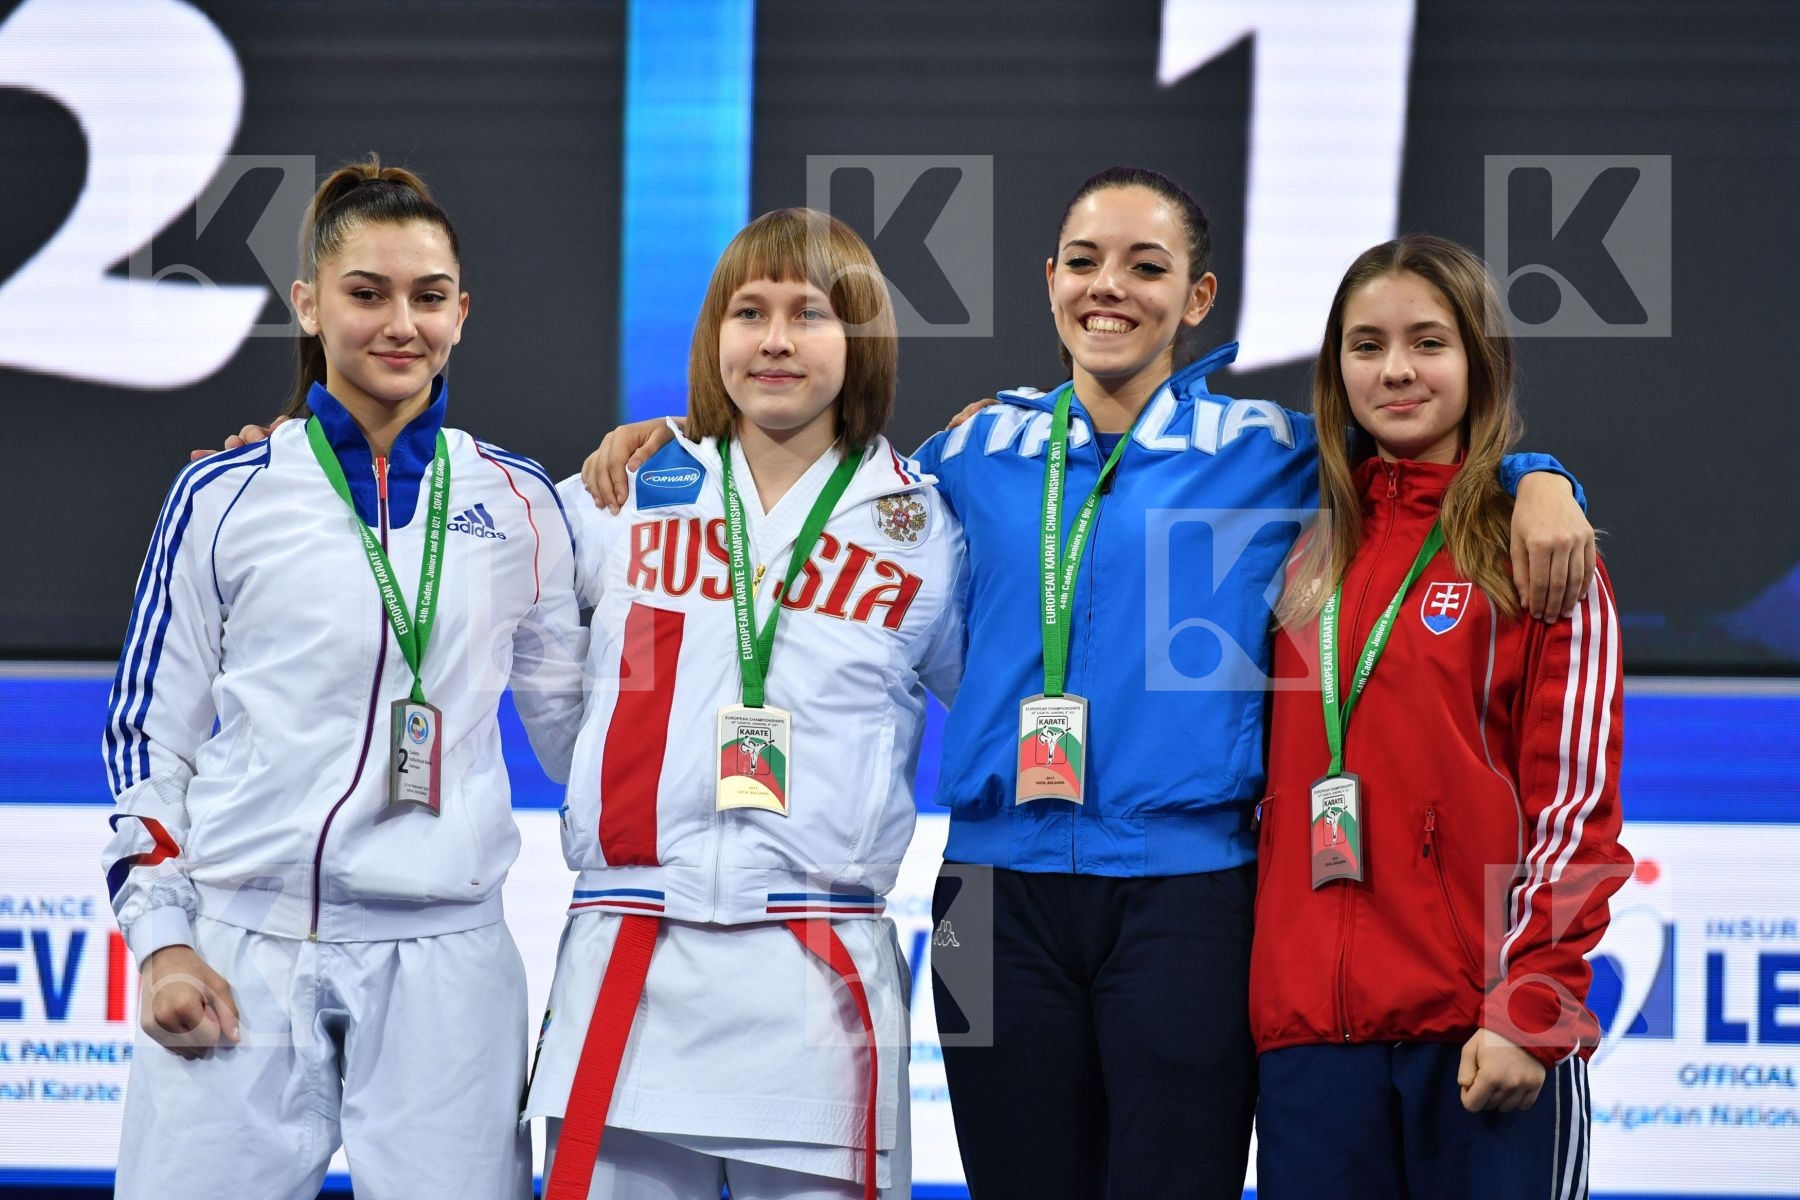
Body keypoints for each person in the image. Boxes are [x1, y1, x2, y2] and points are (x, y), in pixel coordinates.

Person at [580, 165, 1594, 1198]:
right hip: (983, 901)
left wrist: (1538, 475)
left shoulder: (1272, 453)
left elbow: (1413, 457)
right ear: (1050, 282)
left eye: (1146, 267)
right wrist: (680, 448)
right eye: (1084, 262)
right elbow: (826, 490)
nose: (1110, 286)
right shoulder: (974, 450)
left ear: (1196, 300)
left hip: (1189, 898)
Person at [102, 159, 586, 1200]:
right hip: (241, 945)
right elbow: (150, 736)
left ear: (463, 312)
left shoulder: (521, 503)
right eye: (366, 294)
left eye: (428, 296)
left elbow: (576, 737)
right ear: (311, 306)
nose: (399, 322)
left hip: (447, 959)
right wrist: (161, 942)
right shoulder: (222, 493)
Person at [523, 207, 965, 1200]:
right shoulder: (622, 490)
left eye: (808, 314)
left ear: (862, 339)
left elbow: (989, 703)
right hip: (631, 951)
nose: (772, 339)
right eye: (747, 311)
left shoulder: (926, 525)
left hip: (819, 974)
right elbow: (478, 573)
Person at [1250, 234, 1628, 1198]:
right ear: (1336, 370)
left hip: (1479, 1031)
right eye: (1366, 345)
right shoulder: (1298, 548)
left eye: (1429, 341)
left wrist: (1530, 1006)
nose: (1398, 370)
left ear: (1480, 361)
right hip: (1308, 1042)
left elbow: (1577, 809)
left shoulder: (1539, 548)